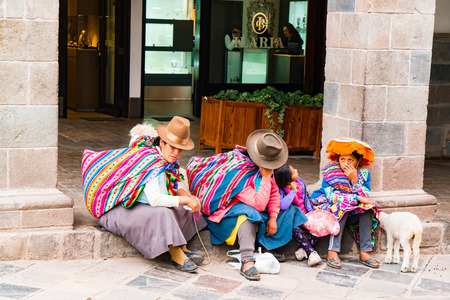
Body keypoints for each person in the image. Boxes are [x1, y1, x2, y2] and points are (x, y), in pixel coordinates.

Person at [82, 116, 207, 272]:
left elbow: (172, 185)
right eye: (172, 147)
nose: (176, 153)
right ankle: (175, 253)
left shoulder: (168, 161)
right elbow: (155, 199)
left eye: (179, 149)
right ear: (162, 142)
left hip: (141, 206)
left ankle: (181, 245)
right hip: (117, 212)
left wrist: (187, 197)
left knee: (183, 209)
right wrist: (184, 199)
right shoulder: (150, 161)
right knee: (163, 212)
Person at [187, 129, 288, 281]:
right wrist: (266, 178)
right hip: (226, 214)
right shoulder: (240, 173)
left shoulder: (266, 170)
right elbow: (259, 204)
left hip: (253, 209)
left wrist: (273, 217)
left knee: (289, 210)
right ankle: (247, 260)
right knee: (249, 215)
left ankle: (267, 247)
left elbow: (273, 194)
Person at [310, 138, 380, 269]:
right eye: (342, 159)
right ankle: (332, 251)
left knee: (368, 209)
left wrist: (354, 180)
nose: (346, 164)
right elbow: (332, 197)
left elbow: (366, 196)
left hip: (353, 214)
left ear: (358, 161)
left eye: (350, 160)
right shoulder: (330, 173)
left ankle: (365, 251)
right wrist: (356, 199)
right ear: (338, 159)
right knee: (341, 206)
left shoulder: (362, 174)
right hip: (334, 212)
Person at [273, 164, 322, 267]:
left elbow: (306, 197)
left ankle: (303, 250)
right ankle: (311, 253)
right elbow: (283, 205)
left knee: (318, 227)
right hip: (294, 219)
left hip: (305, 215)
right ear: (287, 180)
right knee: (294, 229)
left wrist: (312, 212)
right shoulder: (282, 189)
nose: (296, 170)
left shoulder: (299, 181)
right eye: (293, 172)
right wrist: (292, 192)